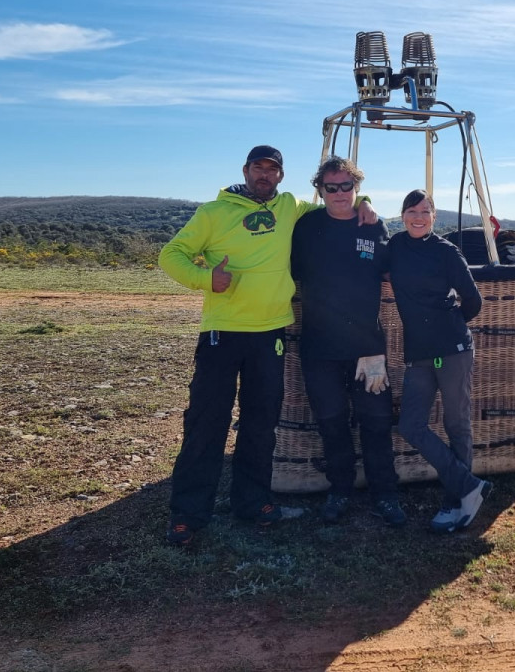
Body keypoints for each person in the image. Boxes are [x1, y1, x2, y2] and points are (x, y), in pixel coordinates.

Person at [159, 145, 376, 546]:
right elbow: (171, 254)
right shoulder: (213, 213)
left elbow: (335, 204)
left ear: (281, 175)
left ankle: (253, 501)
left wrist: (363, 200)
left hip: (270, 333)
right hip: (222, 330)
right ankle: (188, 514)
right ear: (245, 170)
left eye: (272, 169)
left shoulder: (291, 207)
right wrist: (206, 280)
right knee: (207, 423)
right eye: (258, 168)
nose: (265, 175)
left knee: (260, 424)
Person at [291, 157, 405, 527]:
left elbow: (393, 268)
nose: (339, 193)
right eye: (331, 187)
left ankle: (385, 495)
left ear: (356, 188)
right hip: (319, 348)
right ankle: (339, 490)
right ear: (320, 190)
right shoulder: (306, 226)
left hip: (367, 348)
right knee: (332, 422)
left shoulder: (373, 227)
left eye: (346, 187)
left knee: (376, 422)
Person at [389, 188, 492, 533]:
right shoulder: (395, 248)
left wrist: (448, 325)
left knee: (456, 423)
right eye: (412, 211)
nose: (418, 217)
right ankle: (469, 485)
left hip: (451, 351)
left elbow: (473, 301)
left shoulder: (447, 252)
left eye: (425, 211)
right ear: (402, 215)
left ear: (434, 217)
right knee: (411, 425)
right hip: (419, 353)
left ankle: (456, 502)